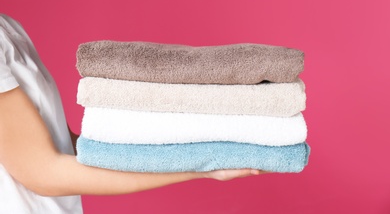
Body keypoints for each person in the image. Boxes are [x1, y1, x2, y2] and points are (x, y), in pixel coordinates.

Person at [0, 14, 265, 213]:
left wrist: (203, 149)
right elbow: (44, 172)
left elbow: (69, 148)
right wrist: (202, 164)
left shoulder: (8, 29)